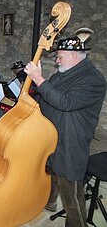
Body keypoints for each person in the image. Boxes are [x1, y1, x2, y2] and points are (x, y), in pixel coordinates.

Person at [24, 34, 106, 227]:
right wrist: (26, 106)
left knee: (71, 193)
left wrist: (38, 78)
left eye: (60, 56)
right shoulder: (63, 72)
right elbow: (46, 96)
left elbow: (65, 102)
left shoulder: (94, 80)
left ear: (74, 55)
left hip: (70, 143)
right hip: (50, 136)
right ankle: (50, 203)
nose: (57, 60)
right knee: (51, 172)